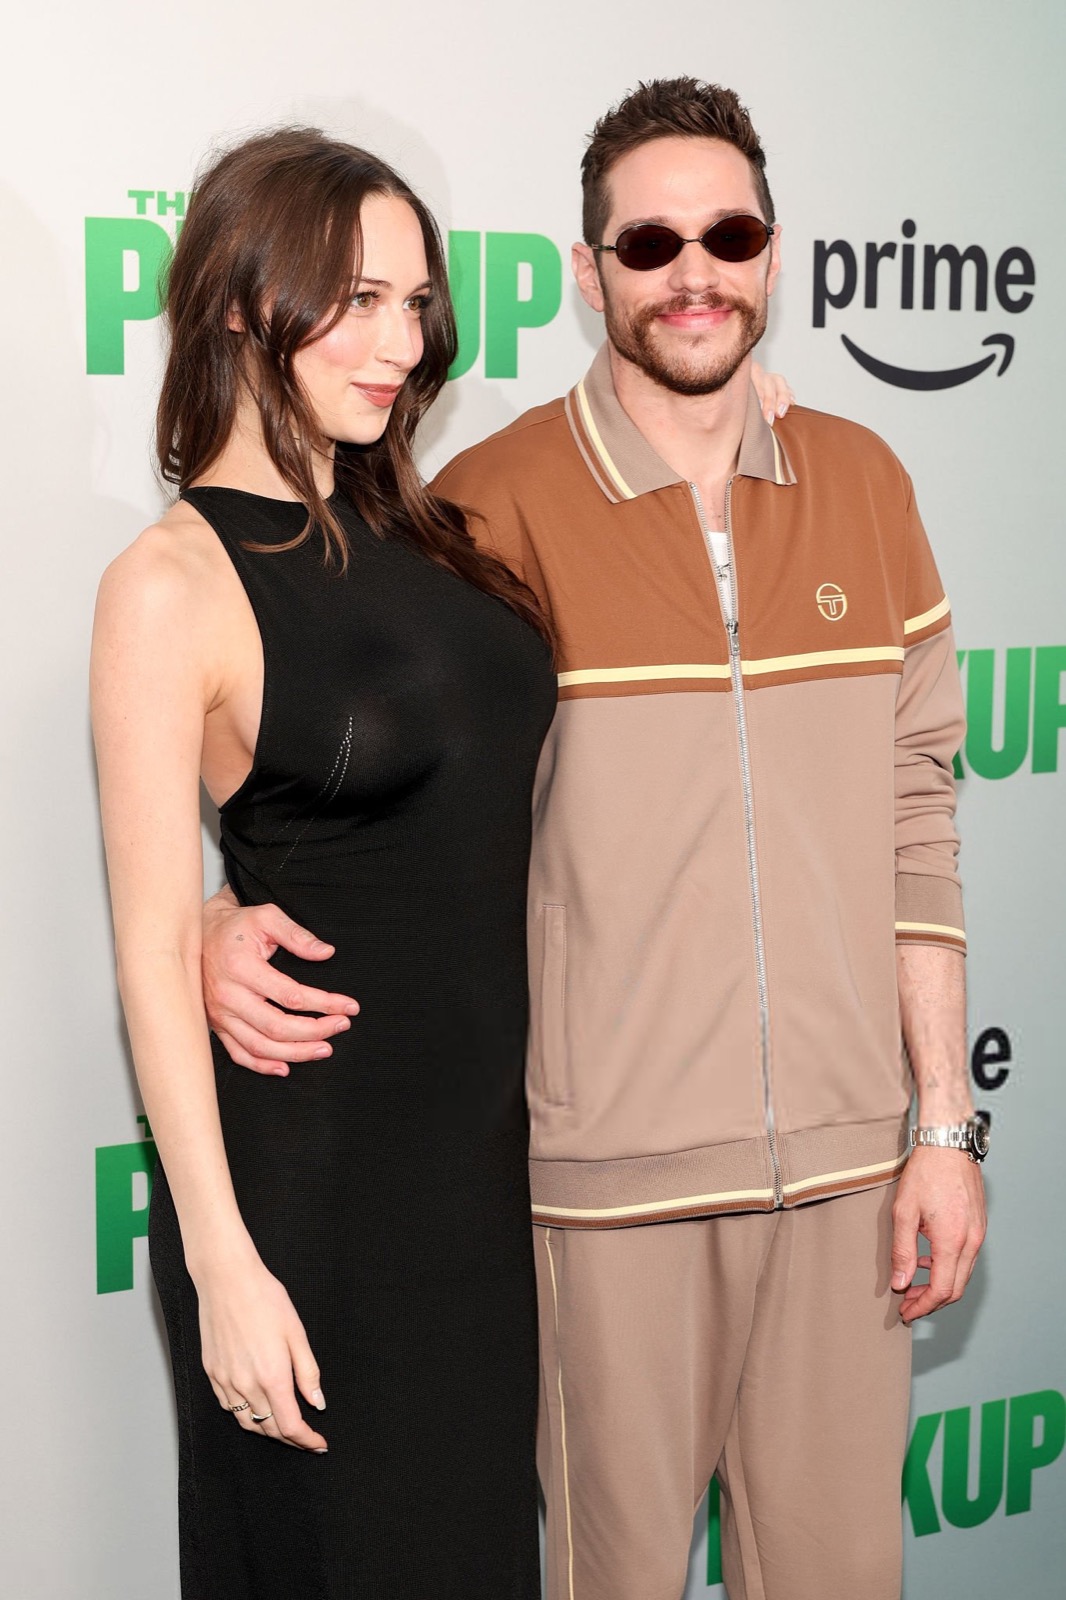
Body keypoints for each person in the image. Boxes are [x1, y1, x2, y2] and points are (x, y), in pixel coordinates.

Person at [198, 81, 982, 1600]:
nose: (694, 273)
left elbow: (916, 809)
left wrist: (940, 1125)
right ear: (587, 270)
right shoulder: (479, 512)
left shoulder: (869, 484)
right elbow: (344, 766)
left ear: (773, 254)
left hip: (849, 1187)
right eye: (649, 243)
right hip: (599, 1196)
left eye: (729, 236)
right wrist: (212, 911)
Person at [90, 127, 561, 1599]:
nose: (400, 342)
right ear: (243, 301)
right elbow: (152, 946)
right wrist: (223, 1267)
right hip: (308, 1192)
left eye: (414, 303)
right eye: (356, 300)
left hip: (473, 1187)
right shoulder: (169, 583)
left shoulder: (423, 529)